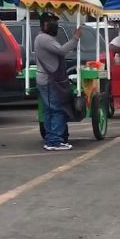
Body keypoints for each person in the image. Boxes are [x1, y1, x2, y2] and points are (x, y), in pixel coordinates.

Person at [35, 12, 80, 151]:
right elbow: (62, 51)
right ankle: (54, 141)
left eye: (56, 22)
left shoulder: (45, 38)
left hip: (47, 80)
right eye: (52, 22)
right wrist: (75, 39)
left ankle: (51, 139)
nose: (55, 25)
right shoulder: (44, 38)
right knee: (56, 110)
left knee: (50, 111)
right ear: (44, 24)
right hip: (49, 81)